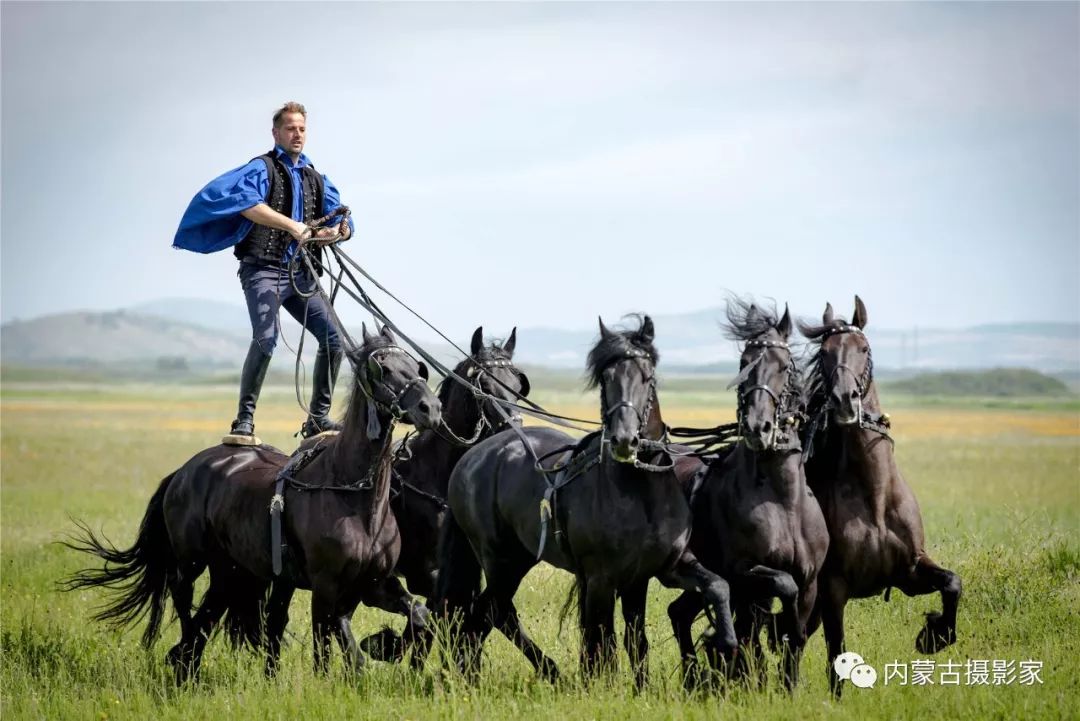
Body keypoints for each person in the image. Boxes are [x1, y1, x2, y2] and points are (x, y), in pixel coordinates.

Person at [173, 102, 354, 440]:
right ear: (276, 133)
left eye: (301, 128)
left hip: (302, 275)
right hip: (264, 271)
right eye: (290, 128)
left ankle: (317, 418)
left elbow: (344, 220)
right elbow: (246, 203)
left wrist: (336, 232)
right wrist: (292, 226)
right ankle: (244, 419)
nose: (297, 134)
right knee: (266, 338)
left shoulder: (316, 177)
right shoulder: (261, 168)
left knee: (333, 338)